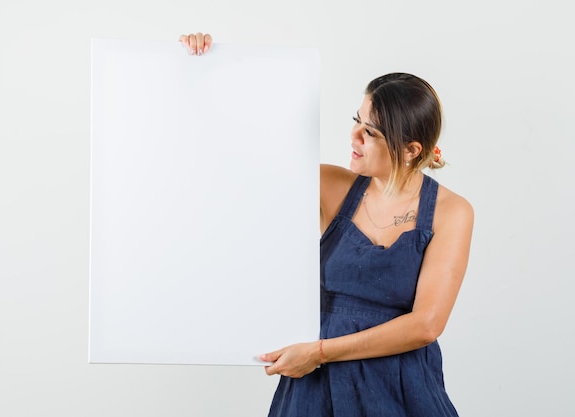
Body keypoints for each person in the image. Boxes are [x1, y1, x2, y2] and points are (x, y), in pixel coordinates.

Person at [180, 33, 474, 417]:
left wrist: (318, 353)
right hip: (316, 391)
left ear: (410, 150)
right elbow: (232, 163)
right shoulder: (329, 186)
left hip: (400, 391)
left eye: (370, 133)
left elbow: (426, 325)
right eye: (357, 120)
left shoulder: (452, 211)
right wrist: (200, 68)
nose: (353, 137)